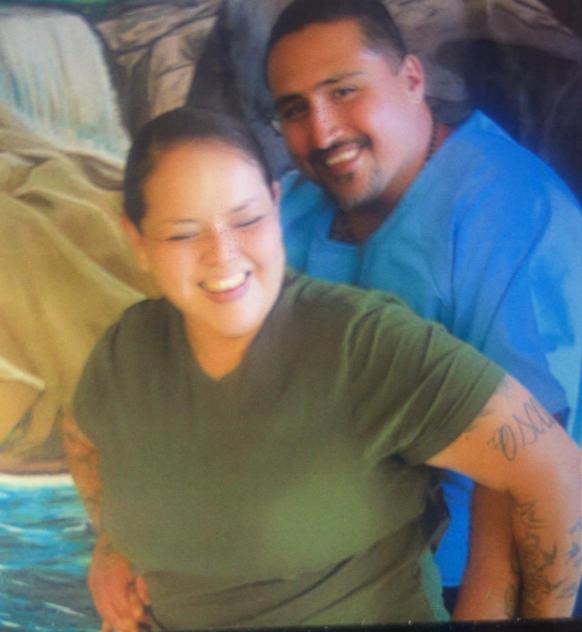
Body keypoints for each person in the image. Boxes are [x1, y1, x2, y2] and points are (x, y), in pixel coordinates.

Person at [62, 107, 581, 632]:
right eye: (182, 234)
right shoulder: (128, 352)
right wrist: (113, 544)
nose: (222, 255)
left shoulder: (361, 343)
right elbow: (82, 436)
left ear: (275, 204)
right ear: (138, 241)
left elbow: (554, 472)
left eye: (246, 220)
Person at [264, 0, 582, 617]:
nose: (322, 133)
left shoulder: (513, 212)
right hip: (327, 577)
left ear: (412, 78)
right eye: (295, 109)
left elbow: (533, 470)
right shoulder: (288, 209)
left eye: (344, 91)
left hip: (466, 582)